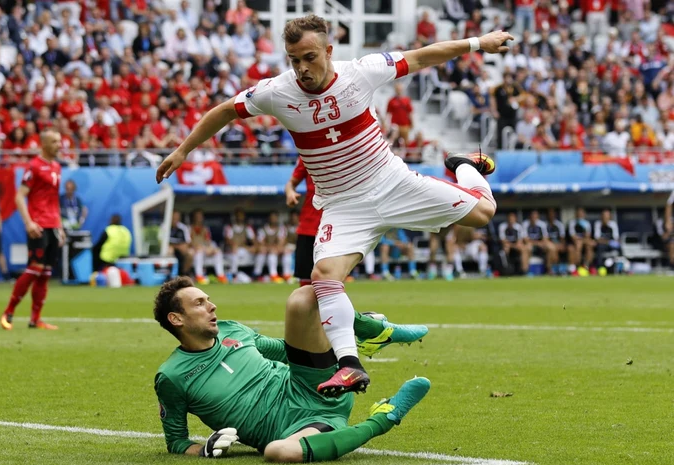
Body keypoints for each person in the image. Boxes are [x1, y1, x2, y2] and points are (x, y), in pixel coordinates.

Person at [156, 15, 512, 396]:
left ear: (328, 51)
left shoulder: (361, 72)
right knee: (323, 274)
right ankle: (349, 365)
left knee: (483, 213)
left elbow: (423, 56)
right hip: (343, 205)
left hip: (391, 182)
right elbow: (226, 110)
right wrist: (183, 150)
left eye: (309, 57)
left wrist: (478, 43)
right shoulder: (277, 92)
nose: (302, 68)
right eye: (294, 60)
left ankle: (461, 165)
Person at [153, 276, 429, 461]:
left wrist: (333, 343)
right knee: (277, 452)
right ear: (176, 318)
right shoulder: (172, 376)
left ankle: (374, 331)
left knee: (304, 297)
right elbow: (176, 441)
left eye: (208, 299)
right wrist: (204, 450)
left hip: (314, 383)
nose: (212, 306)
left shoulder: (234, 330)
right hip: (299, 427)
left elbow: (289, 350)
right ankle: (385, 417)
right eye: (199, 304)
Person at [0, 128, 65, 330]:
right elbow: (20, 196)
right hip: (38, 225)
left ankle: (35, 319)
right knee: (34, 269)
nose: (59, 145)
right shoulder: (34, 166)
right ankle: (8, 312)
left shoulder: (56, 166)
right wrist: (29, 222)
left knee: (45, 273)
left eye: (59, 141)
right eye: (54, 141)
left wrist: (60, 227)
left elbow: (54, 200)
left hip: (53, 225)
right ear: (44, 144)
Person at [285, 157, 322, 287]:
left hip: (334, 224)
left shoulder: (342, 151)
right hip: (309, 224)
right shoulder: (307, 155)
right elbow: (290, 184)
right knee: (306, 280)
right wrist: (290, 193)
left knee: (332, 277)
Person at [190, 210, 227, 285]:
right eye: (197, 216)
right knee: (199, 252)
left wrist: (210, 248)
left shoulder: (205, 229)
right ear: (194, 218)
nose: (199, 218)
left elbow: (208, 241)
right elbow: (189, 242)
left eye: (200, 216)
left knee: (217, 251)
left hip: (204, 249)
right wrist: (200, 247)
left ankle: (220, 275)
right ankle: (199, 276)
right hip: (194, 250)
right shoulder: (189, 228)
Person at [223, 207, 257, 282]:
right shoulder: (229, 227)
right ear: (234, 217)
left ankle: (257, 275)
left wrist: (252, 247)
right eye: (237, 215)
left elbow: (254, 241)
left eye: (241, 216)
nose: (239, 217)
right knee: (235, 253)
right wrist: (236, 246)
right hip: (230, 253)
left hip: (244, 251)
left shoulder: (247, 228)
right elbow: (229, 241)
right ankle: (233, 275)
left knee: (256, 253)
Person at [254, 211, 287, 283]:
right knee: (261, 252)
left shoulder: (281, 228)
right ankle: (257, 274)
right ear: (269, 219)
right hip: (265, 250)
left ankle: (283, 275)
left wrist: (276, 248)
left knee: (282, 252)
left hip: (276, 251)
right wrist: (270, 248)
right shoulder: (262, 229)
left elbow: (281, 242)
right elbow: (261, 243)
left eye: (275, 218)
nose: (273, 220)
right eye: (272, 218)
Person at [522, 210, 557, 275]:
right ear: (530, 217)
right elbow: (525, 239)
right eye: (532, 217)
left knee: (551, 247)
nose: (533, 218)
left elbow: (545, 237)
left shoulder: (542, 224)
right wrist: (537, 243)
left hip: (541, 243)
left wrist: (542, 243)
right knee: (526, 248)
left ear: (537, 217)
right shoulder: (525, 224)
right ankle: (526, 270)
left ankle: (549, 268)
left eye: (535, 217)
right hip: (530, 244)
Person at [169, 211, 193, 277]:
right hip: (170, 247)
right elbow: (162, 242)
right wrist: (176, 246)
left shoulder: (183, 228)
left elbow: (188, 242)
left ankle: (184, 274)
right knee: (169, 250)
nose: (175, 220)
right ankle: (171, 275)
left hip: (181, 248)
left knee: (190, 253)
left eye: (177, 218)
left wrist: (183, 246)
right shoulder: (165, 226)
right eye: (173, 218)